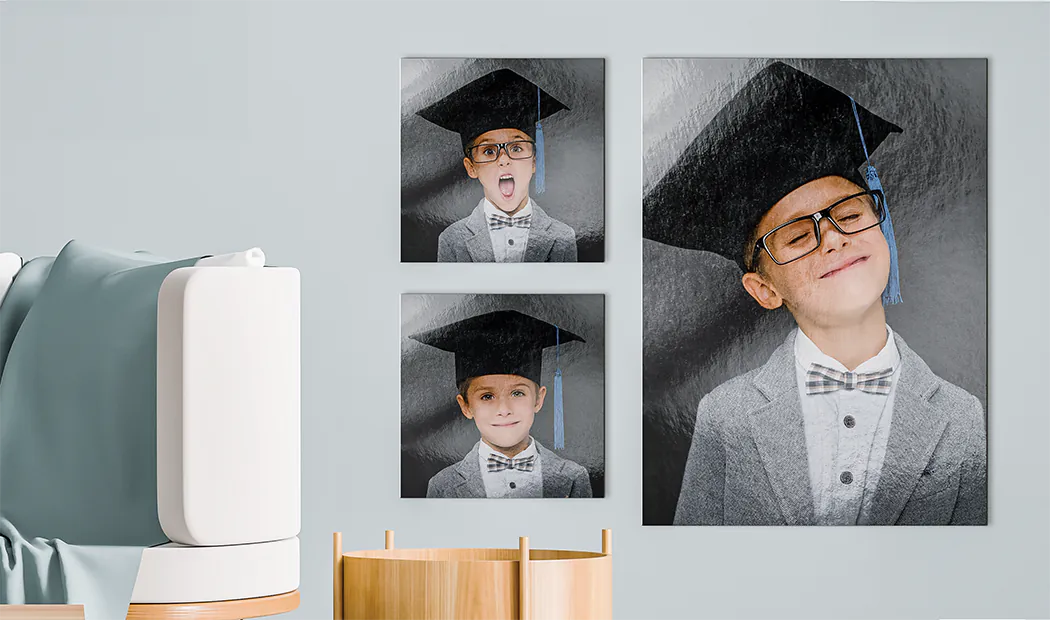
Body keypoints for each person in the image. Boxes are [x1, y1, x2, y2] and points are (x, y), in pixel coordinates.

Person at [643, 61, 986, 525]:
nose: (833, 239)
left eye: (848, 214)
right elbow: (699, 566)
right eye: (798, 236)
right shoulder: (727, 415)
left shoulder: (961, 417)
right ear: (764, 289)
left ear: (880, 227)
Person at [409, 309, 592, 498]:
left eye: (517, 393)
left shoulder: (573, 478)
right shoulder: (443, 486)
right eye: (487, 397)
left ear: (538, 399)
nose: (504, 410)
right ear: (465, 406)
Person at [416, 68, 578, 262]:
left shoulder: (562, 237)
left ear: (534, 161)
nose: (503, 159)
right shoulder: (452, 239)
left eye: (516, 148)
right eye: (489, 151)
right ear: (471, 167)